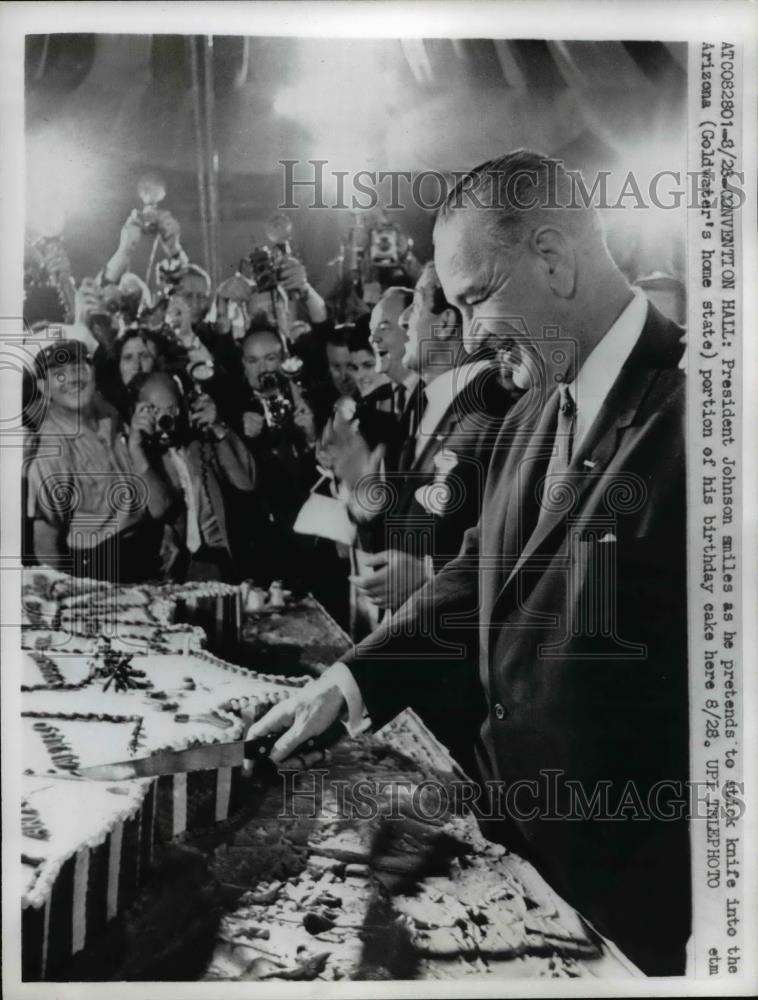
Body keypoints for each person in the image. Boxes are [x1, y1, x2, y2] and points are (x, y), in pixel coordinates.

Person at [245, 150, 689, 976]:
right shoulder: (529, 410)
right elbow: (473, 573)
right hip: (518, 872)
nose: (472, 336)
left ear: (552, 259)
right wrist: (346, 685)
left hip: (635, 917)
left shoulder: (703, 417)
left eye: (476, 299)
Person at [25, 340, 172, 581]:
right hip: (100, 568)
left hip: (147, 551)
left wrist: (165, 532)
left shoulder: (111, 413)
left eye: (79, 368)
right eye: (59, 374)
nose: (73, 379)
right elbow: (45, 546)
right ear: (43, 387)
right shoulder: (52, 452)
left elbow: (153, 501)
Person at [131, 372, 256, 581]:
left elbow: (247, 482)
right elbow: (158, 508)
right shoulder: (139, 457)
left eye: (171, 409)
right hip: (172, 569)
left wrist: (218, 427)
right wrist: (136, 446)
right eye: (153, 410)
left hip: (218, 562)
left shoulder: (202, 445)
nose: (164, 418)